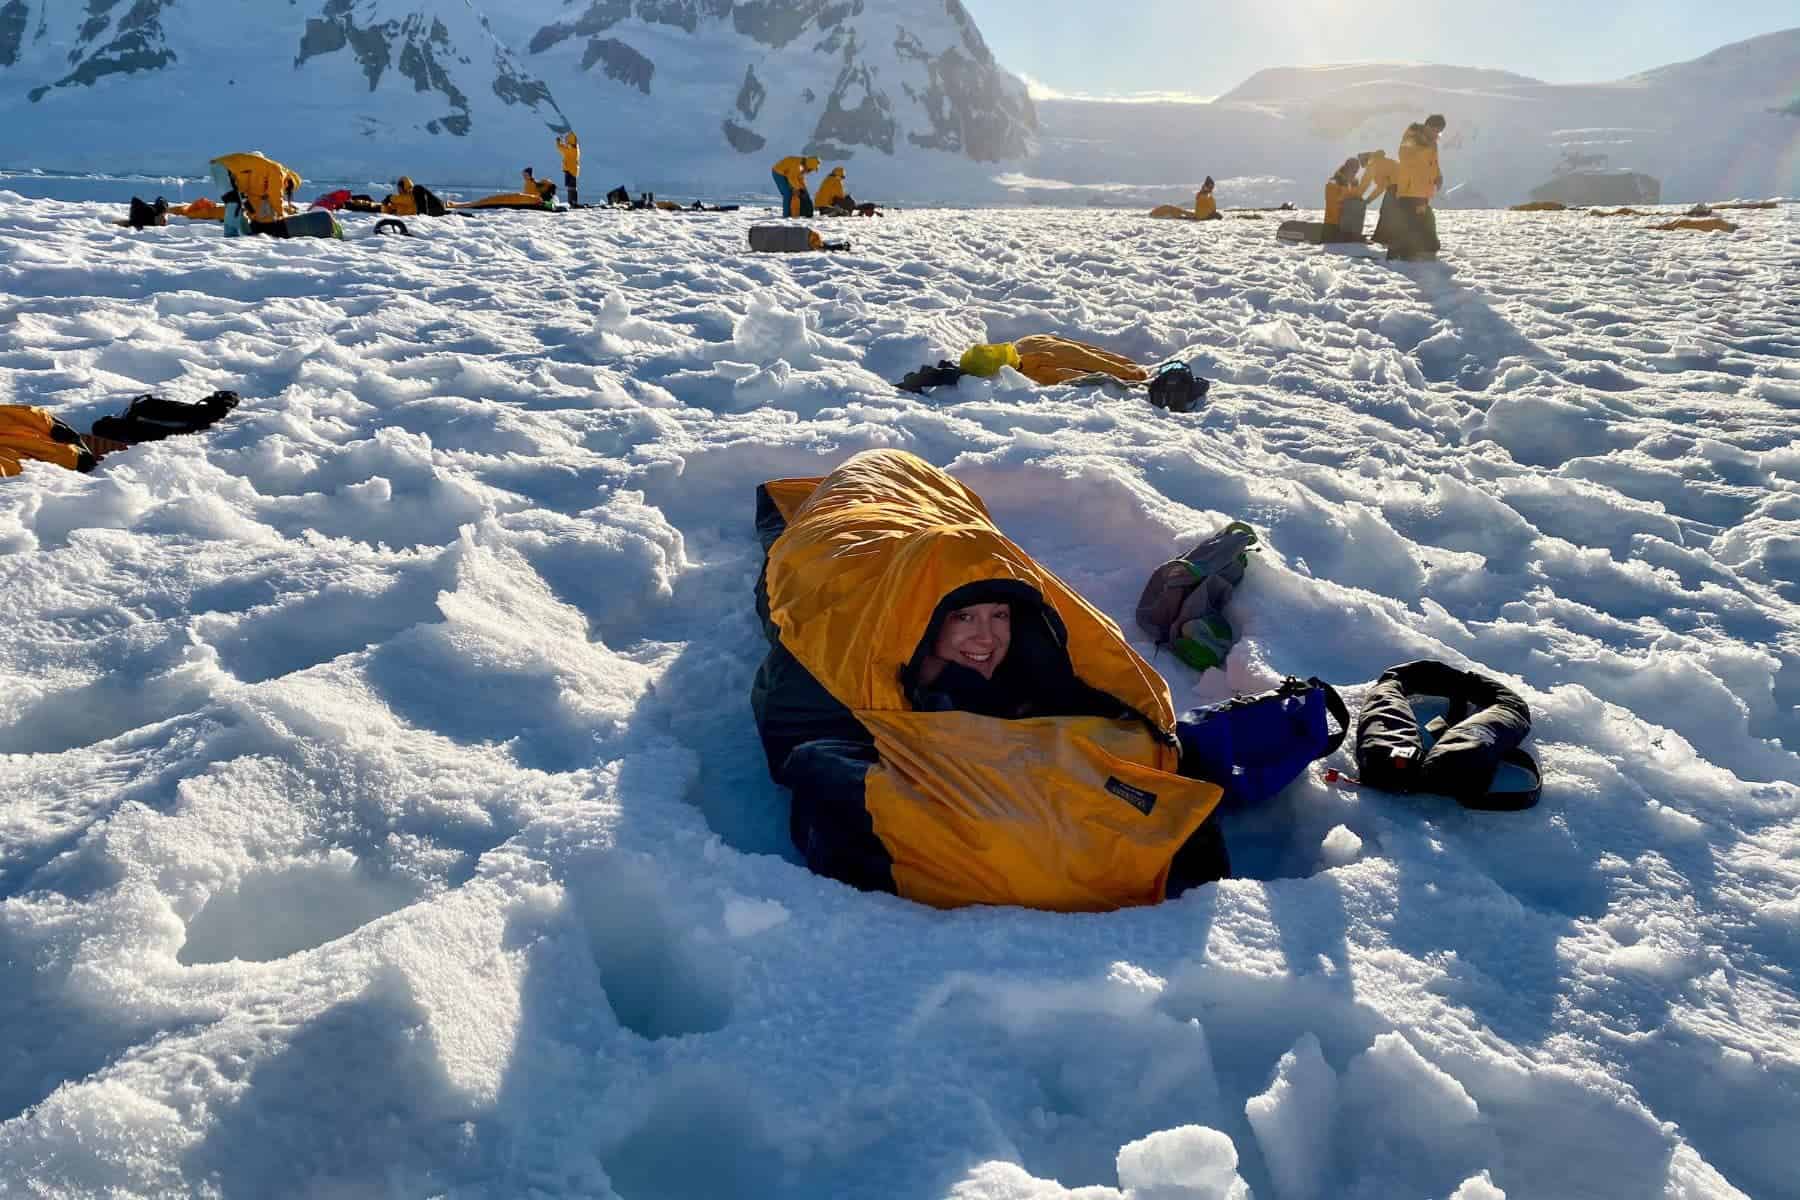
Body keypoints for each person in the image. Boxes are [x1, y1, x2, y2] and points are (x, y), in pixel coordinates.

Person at [1389, 114, 1445, 260]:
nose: (1435, 133)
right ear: (1427, 125)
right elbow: (1405, 156)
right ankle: (1400, 255)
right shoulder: (1411, 137)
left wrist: (1437, 177)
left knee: (1425, 219)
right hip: (1409, 189)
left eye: (1438, 131)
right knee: (1408, 221)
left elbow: (1433, 164)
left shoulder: (1433, 143)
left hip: (1423, 190)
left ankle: (1425, 251)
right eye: (1434, 129)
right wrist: (1425, 146)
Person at [1359, 148, 1400, 244]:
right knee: (1394, 213)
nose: (1364, 167)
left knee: (1386, 211)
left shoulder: (1373, 165)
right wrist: (1368, 200)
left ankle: (1382, 238)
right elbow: (1383, 185)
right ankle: (1389, 237)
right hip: (1405, 188)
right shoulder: (1386, 161)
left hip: (1395, 188)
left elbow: (1365, 184)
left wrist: (1359, 196)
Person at [557, 130, 580, 207]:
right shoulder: (573, 147)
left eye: (567, 139)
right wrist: (560, 142)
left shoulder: (572, 148)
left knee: (572, 187)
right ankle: (572, 202)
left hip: (571, 170)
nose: (566, 140)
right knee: (571, 187)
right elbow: (563, 149)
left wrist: (559, 141)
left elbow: (561, 149)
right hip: (570, 169)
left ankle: (572, 202)